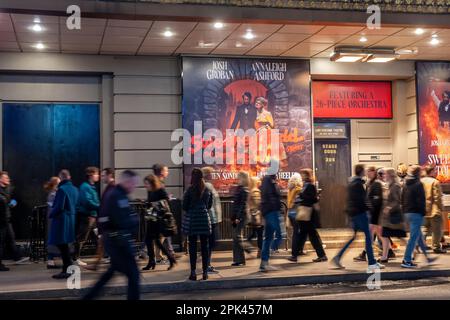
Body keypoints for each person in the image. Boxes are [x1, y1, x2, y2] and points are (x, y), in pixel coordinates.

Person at [83, 170, 141, 300]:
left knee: (111, 273)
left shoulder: (119, 194)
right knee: (133, 274)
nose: (134, 187)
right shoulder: (117, 195)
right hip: (118, 242)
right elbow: (121, 220)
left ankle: (88, 297)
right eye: (133, 183)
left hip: (115, 240)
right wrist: (134, 220)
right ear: (126, 181)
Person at [331, 164, 384, 271]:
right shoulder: (358, 184)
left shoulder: (352, 183)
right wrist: (370, 209)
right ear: (362, 172)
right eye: (364, 171)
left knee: (354, 237)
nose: (366, 172)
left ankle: (338, 257)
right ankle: (372, 263)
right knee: (368, 237)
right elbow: (362, 200)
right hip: (360, 214)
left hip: (353, 213)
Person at [401, 165, 438, 268]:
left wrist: (404, 211)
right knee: (413, 238)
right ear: (418, 173)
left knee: (419, 237)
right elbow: (421, 200)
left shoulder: (405, 183)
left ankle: (428, 258)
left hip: (407, 213)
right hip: (416, 213)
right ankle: (406, 260)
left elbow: (402, 198)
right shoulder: (418, 184)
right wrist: (423, 213)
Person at [182, 168, 213, 281]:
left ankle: (193, 272)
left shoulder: (190, 190)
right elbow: (209, 205)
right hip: (204, 220)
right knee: (205, 246)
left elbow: (184, 206)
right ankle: (205, 273)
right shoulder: (207, 189)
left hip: (193, 220)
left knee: (193, 247)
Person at [291, 169, 327, 263]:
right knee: (306, 235)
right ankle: (295, 255)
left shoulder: (310, 185)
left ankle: (295, 255)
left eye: (303, 174)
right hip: (306, 214)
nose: (301, 176)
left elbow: (313, 199)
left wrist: (301, 197)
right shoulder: (306, 185)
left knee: (309, 235)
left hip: (308, 214)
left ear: (307, 175)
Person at [142, 174, 176, 271]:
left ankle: (156, 261)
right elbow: (150, 203)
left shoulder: (160, 190)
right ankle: (154, 261)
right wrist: (146, 203)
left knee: (154, 241)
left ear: (152, 183)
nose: (146, 186)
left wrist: (153, 204)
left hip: (159, 220)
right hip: (151, 218)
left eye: (147, 183)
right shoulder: (150, 191)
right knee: (152, 241)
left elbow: (165, 201)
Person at [49, 170, 79, 279]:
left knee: (61, 245)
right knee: (64, 245)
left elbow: (59, 206)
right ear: (69, 177)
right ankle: (68, 268)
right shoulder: (75, 189)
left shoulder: (62, 189)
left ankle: (68, 269)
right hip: (71, 219)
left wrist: (50, 214)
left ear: (61, 178)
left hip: (62, 220)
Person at [85, 168, 116, 271]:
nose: (102, 177)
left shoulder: (112, 188)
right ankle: (97, 265)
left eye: (103, 175)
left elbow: (109, 206)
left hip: (110, 223)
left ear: (109, 175)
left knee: (104, 243)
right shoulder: (110, 187)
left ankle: (99, 265)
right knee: (102, 243)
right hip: (108, 222)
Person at [354, 166, 385, 262]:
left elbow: (377, 199)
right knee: (378, 235)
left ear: (373, 172)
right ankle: (387, 252)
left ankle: (366, 254)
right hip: (372, 213)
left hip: (375, 213)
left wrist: (370, 208)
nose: (367, 173)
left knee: (373, 235)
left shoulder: (376, 183)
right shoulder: (369, 183)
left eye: (369, 171)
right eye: (366, 171)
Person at [0, 171, 29, 272]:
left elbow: (7, 202)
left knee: (11, 238)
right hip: (1, 220)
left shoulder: (6, 189)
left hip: (6, 218)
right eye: (6, 177)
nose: (8, 179)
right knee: (1, 241)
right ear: (0, 179)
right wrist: (8, 204)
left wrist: (11, 203)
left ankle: (17, 257)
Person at [74, 166, 100, 266]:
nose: (98, 176)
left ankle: (102, 257)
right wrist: (99, 206)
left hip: (92, 216)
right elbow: (87, 202)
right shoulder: (85, 187)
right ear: (90, 175)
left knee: (97, 238)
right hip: (87, 216)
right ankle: (75, 258)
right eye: (96, 174)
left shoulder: (90, 186)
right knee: (81, 238)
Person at [379, 168, 406, 263]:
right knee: (385, 236)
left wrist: (389, 208)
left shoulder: (395, 186)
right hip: (388, 218)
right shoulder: (389, 185)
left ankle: (412, 251)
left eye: (385, 174)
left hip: (394, 217)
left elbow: (397, 201)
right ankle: (384, 256)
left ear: (390, 175)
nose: (384, 176)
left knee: (399, 236)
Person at [259, 172, 282, 272]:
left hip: (271, 211)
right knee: (280, 235)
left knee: (268, 237)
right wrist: (276, 209)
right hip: (271, 212)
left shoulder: (270, 180)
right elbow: (270, 197)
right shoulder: (268, 180)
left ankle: (264, 264)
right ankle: (269, 254)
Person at [152, 163, 175, 264]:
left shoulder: (154, 181)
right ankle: (158, 256)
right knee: (161, 235)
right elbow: (162, 197)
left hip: (156, 212)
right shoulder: (159, 183)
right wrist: (168, 197)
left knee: (159, 235)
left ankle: (157, 255)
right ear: (161, 172)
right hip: (161, 213)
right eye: (166, 170)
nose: (167, 172)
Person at [201, 167, 222, 274]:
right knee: (211, 242)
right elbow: (210, 204)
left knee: (210, 243)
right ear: (207, 175)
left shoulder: (206, 185)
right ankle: (207, 265)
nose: (213, 176)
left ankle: (207, 264)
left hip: (211, 218)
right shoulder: (208, 186)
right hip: (211, 219)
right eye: (212, 174)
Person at [422, 164, 446, 253]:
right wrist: (441, 208)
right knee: (437, 229)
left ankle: (419, 244)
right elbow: (437, 197)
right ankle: (436, 247)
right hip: (434, 209)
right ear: (431, 171)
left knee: (425, 228)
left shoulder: (421, 181)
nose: (436, 172)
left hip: (424, 209)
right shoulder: (435, 182)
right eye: (435, 170)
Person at [231, 171, 252, 267]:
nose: (237, 179)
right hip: (237, 216)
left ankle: (241, 258)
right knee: (236, 238)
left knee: (237, 237)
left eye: (238, 177)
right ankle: (238, 260)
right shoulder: (240, 189)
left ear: (243, 178)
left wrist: (238, 217)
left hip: (241, 216)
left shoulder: (244, 190)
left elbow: (242, 205)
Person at [44, 176, 61, 269]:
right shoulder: (52, 195)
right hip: (53, 220)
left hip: (53, 219)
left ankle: (51, 261)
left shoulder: (54, 194)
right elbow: (53, 208)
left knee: (53, 239)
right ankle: (50, 261)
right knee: (53, 239)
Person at [286, 173, 303, 262]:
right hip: (297, 213)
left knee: (296, 233)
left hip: (290, 213)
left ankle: (298, 251)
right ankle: (294, 255)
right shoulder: (298, 190)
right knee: (297, 234)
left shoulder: (289, 189)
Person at [246, 176, 263, 258]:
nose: (260, 182)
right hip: (257, 215)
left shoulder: (251, 191)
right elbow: (258, 204)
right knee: (260, 234)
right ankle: (260, 252)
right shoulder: (256, 191)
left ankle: (247, 245)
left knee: (254, 233)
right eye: (258, 180)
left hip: (253, 215)